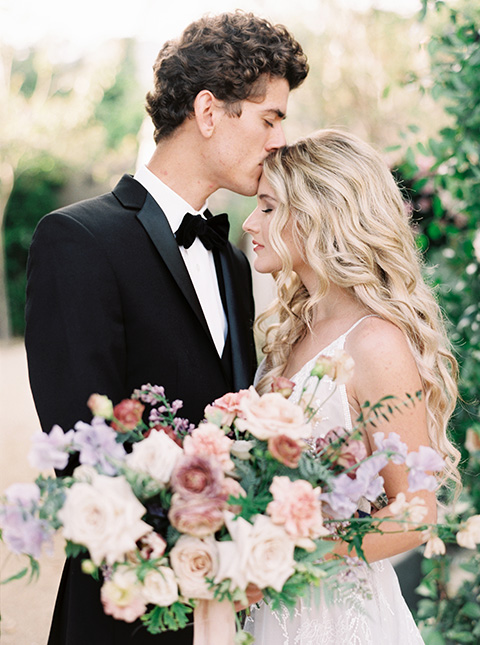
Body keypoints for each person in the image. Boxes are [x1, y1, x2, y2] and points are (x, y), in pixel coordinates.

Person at [24, 11, 308, 645]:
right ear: (210, 112)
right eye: (270, 118)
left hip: (226, 603)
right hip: (125, 606)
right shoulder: (78, 240)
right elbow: (80, 447)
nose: (278, 141)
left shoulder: (233, 261)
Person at [241, 129, 460, 644]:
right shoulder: (289, 333)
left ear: (321, 213)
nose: (251, 223)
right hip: (270, 616)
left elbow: (416, 512)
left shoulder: (376, 343)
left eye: (269, 208)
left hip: (341, 619)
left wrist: (295, 552)